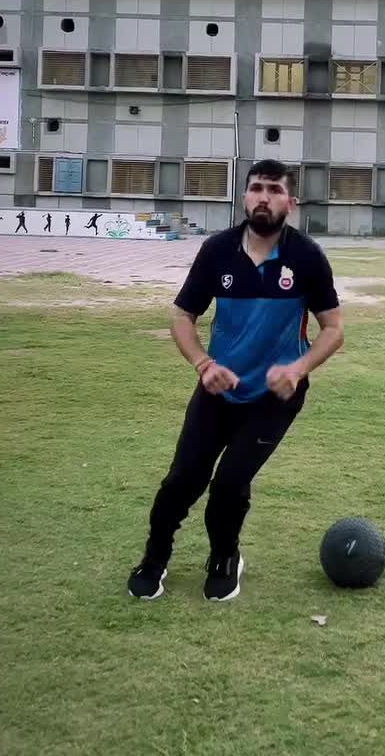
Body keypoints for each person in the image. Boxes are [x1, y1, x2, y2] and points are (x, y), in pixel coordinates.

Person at [127, 160, 344, 602]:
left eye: (274, 190)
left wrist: (298, 369)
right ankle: (154, 557)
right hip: (218, 388)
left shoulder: (306, 256)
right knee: (183, 479)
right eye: (256, 188)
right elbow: (182, 315)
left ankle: (225, 557)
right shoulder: (218, 250)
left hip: (275, 395)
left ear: (290, 202)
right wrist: (203, 364)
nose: (264, 197)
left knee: (229, 484)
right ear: (244, 196)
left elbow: (334, 329)